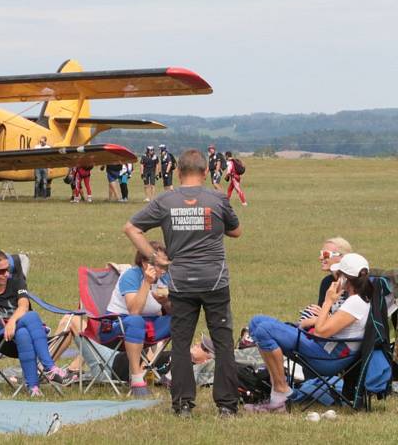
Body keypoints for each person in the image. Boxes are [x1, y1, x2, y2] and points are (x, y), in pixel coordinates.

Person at [124, 148, 242, 418]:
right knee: (223, 343)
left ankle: (183, 405)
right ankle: (226, 406)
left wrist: (154, 257)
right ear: (204, 172)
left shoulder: (165, 200)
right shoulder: (218, 198)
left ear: (177, 172)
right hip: (215, 280)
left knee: (180, 343)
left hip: (181, 282)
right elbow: (236, 230)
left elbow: (131, 228)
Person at [246, 253, 373, 412]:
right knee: (256, 321)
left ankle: (280, 393)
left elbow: (320, 332)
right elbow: (333, 323)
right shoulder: (357, 300)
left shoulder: (355, 302)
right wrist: (313, 320)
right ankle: (278, 390)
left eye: (338, 274)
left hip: (327, 357)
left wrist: (328, 301)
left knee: (263, 330)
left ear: (345, 279)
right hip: (325, 349)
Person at [0, 249, 69, 396]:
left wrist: (12, 322)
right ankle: (50, 368)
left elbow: (23, 306)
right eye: (0, 271)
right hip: (1, 338)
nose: (6, 274)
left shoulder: (16, 282)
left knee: (23, 330)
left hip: (19, 332)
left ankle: (33, 388)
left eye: (7, 269)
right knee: (32, 317)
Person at [102, 241, 172, 396]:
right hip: (117, 325)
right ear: (145, 262)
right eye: (159, 266)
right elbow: (134, 311)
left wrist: (166, 303)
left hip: (149, 327)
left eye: (165, 266)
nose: (163, 270)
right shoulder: (131, 276)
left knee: (182, 319)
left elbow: (171, 310)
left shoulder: (163, 278)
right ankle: (136, 378)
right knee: (136, 321)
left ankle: (173, 373)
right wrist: (147, 282)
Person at [298, 237, 352, 326]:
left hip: (338, 332)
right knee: (310, 310)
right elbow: (320, 311)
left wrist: (323, 316)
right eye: (321, 253)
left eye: (325, 254)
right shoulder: (327, 282)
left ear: (342, 257)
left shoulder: (353, 284)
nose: (320, 258)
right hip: (325, 327)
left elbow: (349, 318)